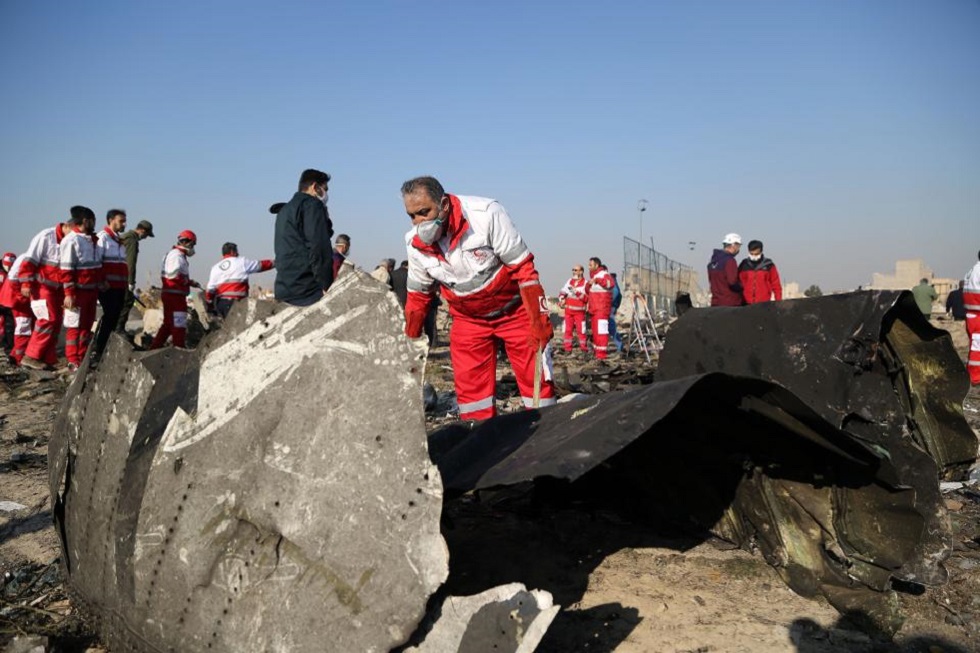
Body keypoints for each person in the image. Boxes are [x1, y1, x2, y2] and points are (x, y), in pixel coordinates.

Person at [401, 176, 555, 420]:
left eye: (423, 212)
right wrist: (408, 344)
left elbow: (525, 271)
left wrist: (539, 320)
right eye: (412, 215)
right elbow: (418, 299)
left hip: (514, 312)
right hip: (468, 320)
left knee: (537, 386)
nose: (419, 222)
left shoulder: (485, 215)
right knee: (473, 398)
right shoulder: (415, 245)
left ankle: (547, 433)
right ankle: (483, 441)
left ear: (443, 205)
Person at [19, 211, 77, 370]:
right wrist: (25, 283)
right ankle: (31, 356)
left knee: (57, 322)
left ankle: (47, 358)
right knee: (47, 319)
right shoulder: (46, 237)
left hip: (58, 289)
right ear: (67, 226)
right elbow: (29, 261)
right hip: (42, 287)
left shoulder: (70, 242)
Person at [274, 169, 334, 306]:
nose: (326, 194)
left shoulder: (284, 210)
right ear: (315, 187)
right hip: (307, 288)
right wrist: (326, 285)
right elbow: (318, 247)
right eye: (325, 189)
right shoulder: (312, 205)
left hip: (284, 287)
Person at [59, 206, 102, 370]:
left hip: (91, 291)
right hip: (77, 292)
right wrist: (69, 294)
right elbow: (66, 270)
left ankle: (82, 357)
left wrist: (100, 282)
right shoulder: (71, 241)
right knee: (74, 326)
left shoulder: (91, 240)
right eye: (93, 220)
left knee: (86, 326)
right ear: (86, 221)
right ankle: (72, 360)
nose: (94, 224)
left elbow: (96, 265)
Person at [150, 230, 198, 349]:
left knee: (167, 325)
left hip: (171, 294)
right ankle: (179, 349)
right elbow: (173, 275)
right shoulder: (177, 255)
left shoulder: (174, 254)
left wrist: (190, 282)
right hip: (175, 296)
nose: (193, 247)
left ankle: (153, 348)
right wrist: (186, 281)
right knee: (179, 324)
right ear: (187, 242)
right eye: (193, 244)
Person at [93, 209, 129, 360]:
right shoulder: (103, 239)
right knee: (109, 318)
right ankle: (99, 350)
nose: (124, 224)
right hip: (108, 287)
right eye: (121, 221)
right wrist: (101, 281)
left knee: (115, 319)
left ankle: (109, 349)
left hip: (119, 287)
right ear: (111, 220)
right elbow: (96, 262)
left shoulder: (118, 240)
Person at [205, 242, 275, 318]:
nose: (238, 253)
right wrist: (275, 263)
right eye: (237, 251)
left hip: (221, 305)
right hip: (237, 303)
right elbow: (260, 265)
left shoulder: (215, 268)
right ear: (232, 251)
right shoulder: (241, 262)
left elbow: (210, 290)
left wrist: (210, 305)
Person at [115, 219, 154, 334]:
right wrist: (130, 281)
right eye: (146, 234)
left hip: (117, 276)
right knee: (127, 302)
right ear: (142, 230)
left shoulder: (125, 237)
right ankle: (118, 330)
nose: (146, 237)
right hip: (123, 278)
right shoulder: (132, 240)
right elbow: (130, 262)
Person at [586, 257, 615, 360]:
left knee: (601, 332)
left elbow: (610, 283)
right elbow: (588, 292)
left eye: (590, 265)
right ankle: (597, 353)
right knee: (595, 333)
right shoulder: (594, 277)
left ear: (596, 265)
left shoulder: (603, 274)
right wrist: (588, 285)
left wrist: (597, 280)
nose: (588, 267)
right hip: (594, 310)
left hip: (602, 309)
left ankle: (601, 355)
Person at [738, 239, 782, 304]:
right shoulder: (744, 265)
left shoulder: (769, 265)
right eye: (751, 254)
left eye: (756, 254)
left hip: (764, 303)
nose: (754, 256)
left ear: (761, 251)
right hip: (746, 302)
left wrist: (778, 302)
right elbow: (739, 283)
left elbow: (776, 285)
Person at [557, 264, 589, 353]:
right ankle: (568, 349)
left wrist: (576, 292)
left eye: (576, 270)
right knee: (568, 330)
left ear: (581, 271)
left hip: (580, 312)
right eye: (573, 270)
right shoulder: (569, 281)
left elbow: (586, 298)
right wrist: (562, 299)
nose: (574, 272)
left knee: (581, 331)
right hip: (569, 311)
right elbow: (563, 291)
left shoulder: (585, 283)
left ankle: (584, 348)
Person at [708, 233, 743, 307]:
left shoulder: (712, 262)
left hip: (716, 302)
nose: (738, 249)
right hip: (730, 303)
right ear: (734, 245)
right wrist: (742, 287)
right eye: (738, 246)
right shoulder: (730, 261)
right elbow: (732, 282)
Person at [963, 252, 980, 385]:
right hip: (978, 315)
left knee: (975, 346)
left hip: (972, 314)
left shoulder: (972, 271)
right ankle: (975, 376)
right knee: (977, 348)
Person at [0, 252, 15, 355]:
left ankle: (8, 349)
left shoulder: (14, 274)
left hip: (7, 303)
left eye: (11, 266)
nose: (9, 268)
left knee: (9, 326)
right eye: (7, 266)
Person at [609, 272, 623, 352]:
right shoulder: (614, 282)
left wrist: (610, 303)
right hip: (612, 307)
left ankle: (619, 345)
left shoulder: (611, 282)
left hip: (610, 308)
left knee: (611, 327)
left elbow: (616, 293)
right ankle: (619, 345)